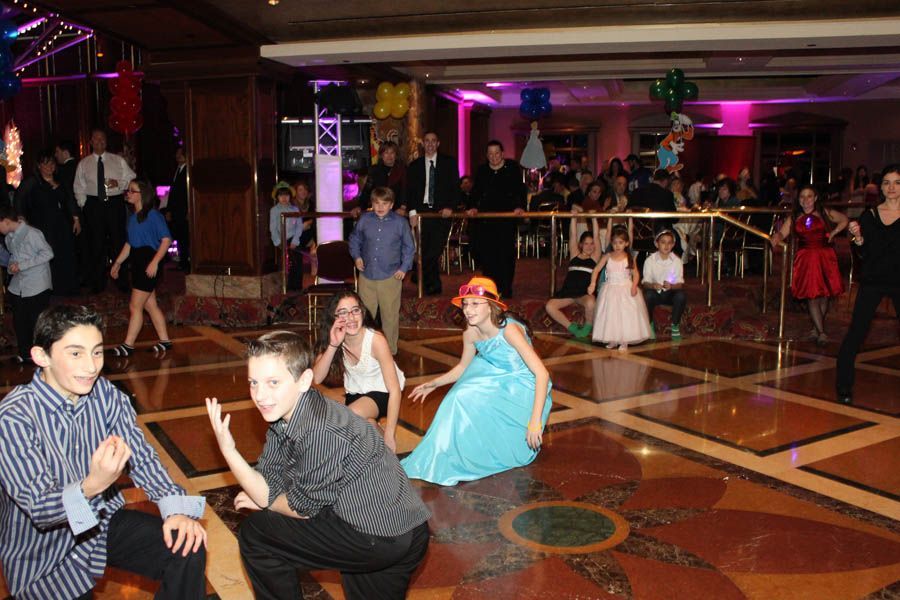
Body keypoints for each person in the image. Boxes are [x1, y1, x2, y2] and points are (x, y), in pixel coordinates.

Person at [0, 305, 207, 600]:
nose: (91, 366)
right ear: (41, 356)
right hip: (45, 554)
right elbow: (39, 508)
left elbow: (142, 456)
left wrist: (174, 508)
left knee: (186, 545)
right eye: (76, 353)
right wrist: (92, 485)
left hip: (101, 522)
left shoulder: (104, 393)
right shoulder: (14, 417)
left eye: (96, 352)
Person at [205, 331, 430, 599]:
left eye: (273, 382)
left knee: (258, 534)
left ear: (305, 380)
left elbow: (300, 508)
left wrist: (230, 453)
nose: (260, 395)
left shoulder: (321, 429)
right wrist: (265, 493)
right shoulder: (291, 412)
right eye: (253, 382)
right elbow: (270, 473)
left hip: (382, 535)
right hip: (395, 525)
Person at [401, 277, 552, 485]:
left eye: (474, 304)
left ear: (491, 307)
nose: (467, 310)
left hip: (524, 385)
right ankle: (445, 454)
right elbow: (463, 367)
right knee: (457, 397)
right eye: (465, 304)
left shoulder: (509, 330)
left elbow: (542, 374)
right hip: (495, 375)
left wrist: (534, 421)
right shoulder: (470, 332)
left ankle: (490, 447)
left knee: (469, 399)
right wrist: (435, 383)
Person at [836, 164, 900, 404]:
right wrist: (859, 240)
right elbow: (862, 253)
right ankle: (844, 387)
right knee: (856, 333)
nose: (891, 187)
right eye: (887, 182)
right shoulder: (870, 215)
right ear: (881, 186)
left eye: (896, 182)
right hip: (873, 279)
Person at [312, 291, 405, 451]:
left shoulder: (376, 340)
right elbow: (317, 378)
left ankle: (382, 438)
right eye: (343, 312)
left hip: (383, 392)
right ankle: (374, 430)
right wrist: (333, 345)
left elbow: (395, 389)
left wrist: (391, 434)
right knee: (361, 427)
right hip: (356, 394)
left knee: (344, 420)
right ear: (334, 318)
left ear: (362, 312)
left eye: (355, 310)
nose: (351, 317)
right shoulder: (337, 338)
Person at [771, 185, 848, 345]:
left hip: (824, 256)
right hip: (806, 258)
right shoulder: (795, 216)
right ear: (798, 200)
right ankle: (821, 332)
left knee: (824, 295)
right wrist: (776, 236)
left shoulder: (824, 212)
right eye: (802, 197)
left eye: (809, 196)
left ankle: (816, 328)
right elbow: (782, 233)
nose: (805, 200)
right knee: (812, 296)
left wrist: (834, 232)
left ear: (815, 198)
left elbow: (844, 220)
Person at [109, 179, 174, 357]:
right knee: (150, 305)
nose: (128, 193)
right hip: (138, 262)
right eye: (128, 190)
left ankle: (128, 345)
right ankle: (165, 341)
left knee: (134, 306)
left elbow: (166, 240)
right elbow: (130, 244)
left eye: (132, 191)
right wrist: (118, 263)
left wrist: (154, 262)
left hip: (148, 262)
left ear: (142, 195)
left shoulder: (154, 215)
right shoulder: (132, 218)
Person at [347, 186, 415, 355]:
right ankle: (363, 350)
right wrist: (357, 257)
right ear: (372, 203)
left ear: (391, 205)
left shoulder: (400, 223)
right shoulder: (364, 220)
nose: (380, 207)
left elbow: (409, 247)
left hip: (390, 276)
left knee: (389, 316)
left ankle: (390, 352)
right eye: (377, 203)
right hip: (367, 275)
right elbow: (354, 239)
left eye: (384, 203)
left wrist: (404, 267)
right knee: (363, 316)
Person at [73, 128, 136, 293]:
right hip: (94, 205)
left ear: (106, 142)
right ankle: (97, 283)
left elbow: (130, 176)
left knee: (118, 242)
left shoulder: (117, 160)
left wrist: (120, 184)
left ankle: (122, 281)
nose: (99, 142)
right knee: (96, 244)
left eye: (102, 139)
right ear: (91, 142)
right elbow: (78, 186)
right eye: (96, 139)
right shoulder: (84, 163)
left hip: (114, 203)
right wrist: (84, 204)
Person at [14, 149, 81, 295]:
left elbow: (70, 199)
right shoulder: (32, 182)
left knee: (66, 253)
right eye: (45, 164)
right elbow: (19, 198)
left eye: (51, 163)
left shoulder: (60, 180)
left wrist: (76, 218)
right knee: (49, 255)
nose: (49, 167)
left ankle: (68, 287)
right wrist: (21, 217)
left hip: (62, 223)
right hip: (43, 225)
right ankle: (50, 288)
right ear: (39, 166)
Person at [469, 140, 527, 298]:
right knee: (488, 257)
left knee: (506, 256)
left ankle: (506, 289)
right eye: (490, 154)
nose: (494, 156)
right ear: (487, 156)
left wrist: (520, 206)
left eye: (497, 153)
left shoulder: (513, 168)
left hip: (506, 221)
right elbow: (475, 193)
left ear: (502, 154)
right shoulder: (482, 171)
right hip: (487, 222)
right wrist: (473, 207)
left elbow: (519, 191)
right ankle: (491, 288)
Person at [408, 132, 460, 296]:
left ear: (438, 143)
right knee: (423, 250)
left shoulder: (449, 163)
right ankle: (433, 285)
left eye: (433, 141)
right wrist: (412, 213)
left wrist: (450, 207)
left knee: (435, 250)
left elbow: (455, 189)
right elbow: (410, 191)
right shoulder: (414, 165)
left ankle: (419, 273)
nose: (430, 144)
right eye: (427, 141)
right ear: (423, 144)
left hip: (441, 214)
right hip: (421, 214)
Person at [0, 205, 53, 364]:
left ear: (7, 221)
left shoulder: (32, 234)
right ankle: (25, 354)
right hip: (20, 285)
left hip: (37, 284)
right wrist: (12, 266)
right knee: (20, 321)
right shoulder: (9, 237)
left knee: (36, 321)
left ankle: (40, 354)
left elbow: (48, 253)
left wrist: (22, 265)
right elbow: (14, 257)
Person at [588, 225, 652, 351]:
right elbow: (596, 270)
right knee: (610, 315)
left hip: (625, 288)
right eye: (615, 242)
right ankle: (612, 339)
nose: (617, 245)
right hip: (610, 288)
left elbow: (636, 274)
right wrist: (593, 284)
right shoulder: (607, 256)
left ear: (626, 243)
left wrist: (634, 286)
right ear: (611, 243)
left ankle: (624, 340)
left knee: (625, 315)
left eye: (621, 243)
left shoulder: (629, 258)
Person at [545, 212, 600, 338]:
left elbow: (597, 236)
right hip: (568, 293)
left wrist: (594, 218)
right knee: (550, 306)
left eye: (592, 244)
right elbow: (573, 235)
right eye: (586, 243)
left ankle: (588, 326)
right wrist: (573, 218)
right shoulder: (574, 254)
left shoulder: (595, 258)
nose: (589, 246)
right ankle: (572, 328)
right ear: (581, 245)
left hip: (584, 294)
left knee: (591, 302)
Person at [642, 230, 687, 340]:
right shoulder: (650, 260)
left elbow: (680, 284)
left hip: (670, 293)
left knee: (681, 296)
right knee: (648, 295)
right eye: (663, 242)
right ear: (657, 244)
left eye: (669, 243)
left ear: (672, 245)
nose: (666, 246)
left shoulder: (676, 261)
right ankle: (649, 324)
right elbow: (645, 282)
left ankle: (675, 325)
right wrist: (653, 285)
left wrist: (672, 286)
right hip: (655, 293)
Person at [268, 181, 304, 290]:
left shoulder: (295, 209)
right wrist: (279, 242)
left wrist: (295, 241)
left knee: (297, 264)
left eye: (286, 195)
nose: (284, 197)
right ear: (277, 197)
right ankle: (285, 289)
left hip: (293, 240)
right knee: (284, 266)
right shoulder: (274, 210)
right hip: (281, 241)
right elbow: (273, 228)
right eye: (281, 195)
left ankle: (297, 288)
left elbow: (299, 226)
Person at [162, 146, 190, 272]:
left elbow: (188, 193)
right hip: (176, 210)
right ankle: (180, 261)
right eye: (177, 154)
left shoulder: (188, 171)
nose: (177, 156)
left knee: (184, 237)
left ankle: (185, 263)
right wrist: (168, 210)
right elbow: (172, 194)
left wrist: (190, 210)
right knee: (177, 236)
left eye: (180, 154)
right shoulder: (177, 170)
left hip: (184, 210)